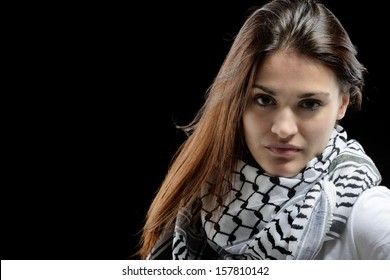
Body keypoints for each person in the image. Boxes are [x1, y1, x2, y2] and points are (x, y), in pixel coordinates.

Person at [137, 0, 390, 260]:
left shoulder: (365, 214)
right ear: (238, 100)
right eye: (264, 100)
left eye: (310, 104)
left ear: (342, 104)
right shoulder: (201, 200)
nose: (283, 129)